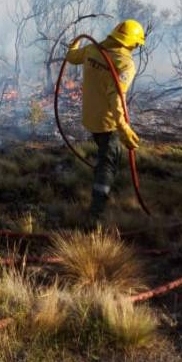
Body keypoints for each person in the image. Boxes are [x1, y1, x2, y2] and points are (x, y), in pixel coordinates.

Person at [66, 19, 146, 223]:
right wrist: (123, 127)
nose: (136, 47)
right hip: (107, 122)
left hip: (89, 117)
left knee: (106, 156)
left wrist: (74, 44)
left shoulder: (92, 49)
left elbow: (72, 57)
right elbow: (116, 97)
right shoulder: (125, 64)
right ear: (131, 43)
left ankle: (102, 180)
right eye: (136, 44)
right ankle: (97, 211)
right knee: (108, 163)